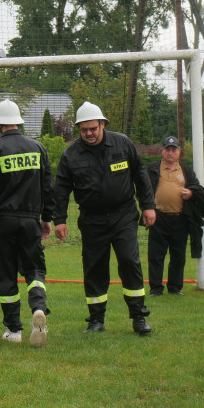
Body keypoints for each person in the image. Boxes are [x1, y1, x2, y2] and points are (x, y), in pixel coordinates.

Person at [54, 101, 155, 335]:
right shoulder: (71, 154)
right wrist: (59, 219)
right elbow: (60, 189)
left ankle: (139, 317)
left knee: (130, 262)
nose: (88, 133)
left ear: (102, 124)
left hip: (124, 215)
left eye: (93, 128)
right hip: (92, 220)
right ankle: (96, 320)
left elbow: (141, 174)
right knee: (94, 268)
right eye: (83, 129)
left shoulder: (122, 143)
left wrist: (148, 205)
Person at [0, 99, 56, 347]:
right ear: (19, 121)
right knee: (34, 270)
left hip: (3, 220)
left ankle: (14, 330)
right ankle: (38, 307)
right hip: (31, 219)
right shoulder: (38, 148)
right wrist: (46, 218)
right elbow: (47, 188)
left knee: (7, 273)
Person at [146, 136, 204, 297]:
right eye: (168, 149)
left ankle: (174, 287)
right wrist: (147, 209)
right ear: (162, 151)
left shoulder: (186, 171)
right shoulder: (152, 169)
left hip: (180, 218)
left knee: (178, 255)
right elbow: (143, 189)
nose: (170, 153)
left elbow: (197, 188)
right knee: (156, 255)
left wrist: (191, 193)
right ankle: (156, 288)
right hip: (158, 218)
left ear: (179, 152)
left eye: (174, 150)